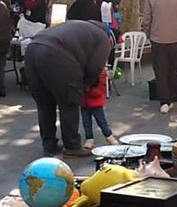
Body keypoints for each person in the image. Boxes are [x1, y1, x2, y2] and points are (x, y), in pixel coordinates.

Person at [25, 20, 112, 158]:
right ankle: (72, 146)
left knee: (44, 102)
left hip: (33, 48)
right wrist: (86, 84)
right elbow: (95, 67)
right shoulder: (103, 38)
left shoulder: (78, 27)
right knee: (69, 101)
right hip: (57, 54)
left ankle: (49, 145)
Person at [82, 69, 118, 149]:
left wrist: (88, 89)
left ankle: (108, 135)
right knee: (86, 122)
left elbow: (99, 90)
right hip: (84, 102)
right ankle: (89, 138)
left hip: (95, 102)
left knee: (101, 121)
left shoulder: (100, 72)